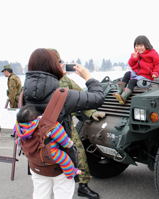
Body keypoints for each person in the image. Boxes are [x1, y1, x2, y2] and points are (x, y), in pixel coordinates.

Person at [23, 48, 104, 199]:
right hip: (61, 150)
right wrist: (88, 77)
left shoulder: (24, 91)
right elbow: (96, 97)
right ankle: (81, 183)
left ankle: (83, 185)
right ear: (53, 65)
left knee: (40, 192)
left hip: (36, 156)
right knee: (65, 183)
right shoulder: (62, 93)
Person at [48, 48, 106, 198]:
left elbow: (82, 98)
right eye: (56, 62)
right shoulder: (44, 81)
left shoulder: (66, 80)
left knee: (79, 154)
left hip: (66, 126)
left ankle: (83, 185)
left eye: (60, 61)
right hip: (47, 129)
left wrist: (92, 113)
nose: (60, 64)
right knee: (50, 159)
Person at [14, 104, 82, 179]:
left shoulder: (18, 127)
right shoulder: (47, 124)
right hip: (49, 152)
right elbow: (61, 136)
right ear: (37, 116)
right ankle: (71, 173)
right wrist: (68, 144)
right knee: (64, 158)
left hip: (30, 152)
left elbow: (17, 138)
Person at [113, 35, 159, 104]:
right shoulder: (136, 54)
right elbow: (131, 64)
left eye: (141, 46)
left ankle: (124, 97)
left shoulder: (152, 53)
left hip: (146, 77)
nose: (139, 48)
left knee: (132, 81)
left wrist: (156, 72)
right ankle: (119, 91)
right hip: (137, 74)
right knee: (127, 74)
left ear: (146, 45)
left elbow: (158, 63)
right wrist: (134, 58)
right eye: (137, 46)